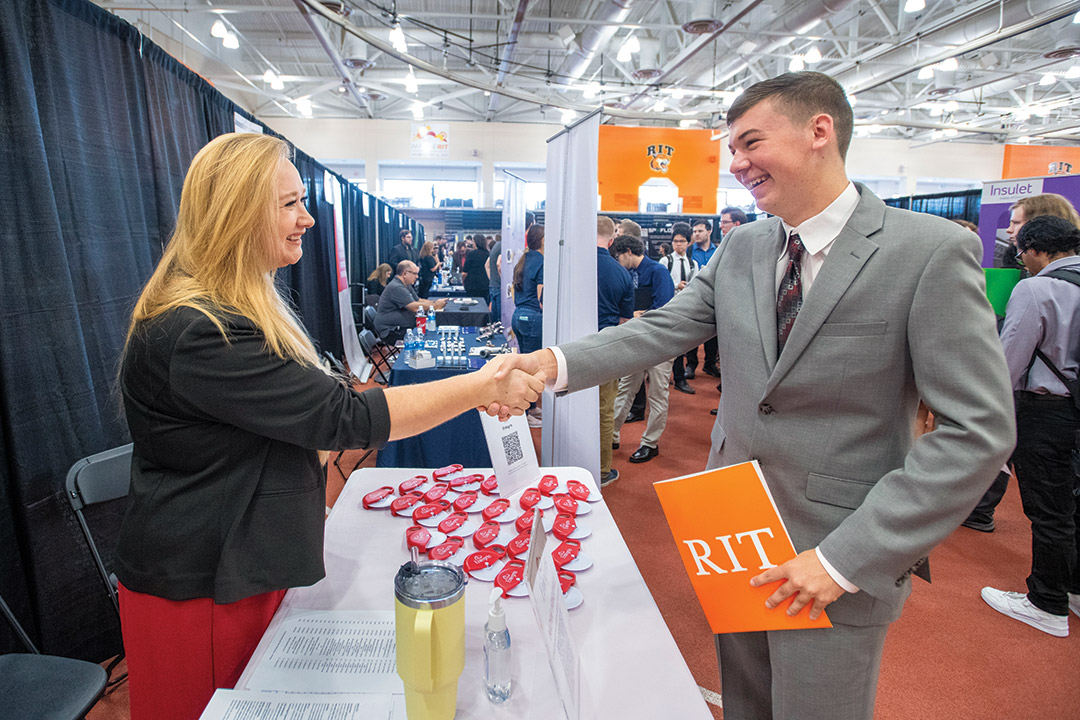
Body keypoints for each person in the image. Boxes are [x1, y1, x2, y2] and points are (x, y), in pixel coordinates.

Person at [497, 71, 1014, 720]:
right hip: (732, 530)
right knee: (746, 703)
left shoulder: (929, 252)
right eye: (731, 149)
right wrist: (551, 364)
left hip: (836, 546)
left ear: (818, 132)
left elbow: (979, 432)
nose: (736, 163)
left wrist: (842, 560)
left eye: (750, 143)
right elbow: (665, 329)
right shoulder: (744, 246)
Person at [114, 133, 543, 720]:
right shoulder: (202, 332)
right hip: (203, 583)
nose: (307, 218)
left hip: (231, 567)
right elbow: (345, 418)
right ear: (239, 212)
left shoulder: (223, 313)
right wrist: (482, 387)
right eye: (289, 203)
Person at [981, 215, 1080, 638]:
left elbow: (1010, 359)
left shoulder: (1037, 289)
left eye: (1022, 253)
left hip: (1047, 410)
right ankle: (1073, 590)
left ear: (1037, 250)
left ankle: (1047, 602)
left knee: (1050, 509)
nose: (1022, 262)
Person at [609, 234, 676, 464]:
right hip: (636, 340)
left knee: (658, 394)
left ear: (628, 251)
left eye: (618, 256)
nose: (617, 261)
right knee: (625, 389)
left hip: (661, 342)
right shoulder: (626, 273)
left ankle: (650, 443)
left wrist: (638, 316)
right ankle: (612, 435)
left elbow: (665, 307)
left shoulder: (658, 271)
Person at [595, 216, 635, 486]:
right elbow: (624, 319)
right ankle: (601, 471)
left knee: (561, 403)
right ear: (611, 240)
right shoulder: (621, 272)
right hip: (605, 346)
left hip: (566, 346)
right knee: (604, 411)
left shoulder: (567, 266)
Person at [512, 224, 545, 427]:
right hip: (533, 318)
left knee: (525, 365)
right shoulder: (542, 261)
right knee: (532, 368)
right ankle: (526, 412)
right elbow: (542, 297)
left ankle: (530, 407)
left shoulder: (523, 260)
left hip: (519, 316)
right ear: (543, 241)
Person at [662, 222, 700, 395]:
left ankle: (680, 377)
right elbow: (662, 284)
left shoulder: (693, 263)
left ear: (688, 242)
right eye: (675, 241)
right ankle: (678, 379)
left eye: (682, 241)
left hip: (687, 308)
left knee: (684, 344)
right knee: (672, 345)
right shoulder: (666, 261)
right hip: (670, 307)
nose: (678, 244)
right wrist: (676, 286)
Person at [375, 261, 448, 344]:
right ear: (405, 273)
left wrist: (434, 302)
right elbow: (414, 307)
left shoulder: (405, 284)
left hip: (402, 327)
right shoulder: (396, 287)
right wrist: (435, 306)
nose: (417, 277)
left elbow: (418, 300)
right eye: (415, 274)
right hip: (391, 331)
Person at [684, 218, 720, 380]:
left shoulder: (719, 251)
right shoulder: (689, 252)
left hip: (715, 297)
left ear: (709, 231)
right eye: (694, 231)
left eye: (700, 231)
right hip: (694, 297)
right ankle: (691, 365)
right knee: (692, 333)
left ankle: (710, 364)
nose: (696, 234)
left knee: (714, 334)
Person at [488, 233, 503, 323]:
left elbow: (486, 265)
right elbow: (498, 264)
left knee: (495, 319)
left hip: (493, 285)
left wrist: (491, 278)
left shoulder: (496, 246)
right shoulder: (503, 246)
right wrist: (503, 280)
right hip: (498, 285)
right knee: (500, 320)